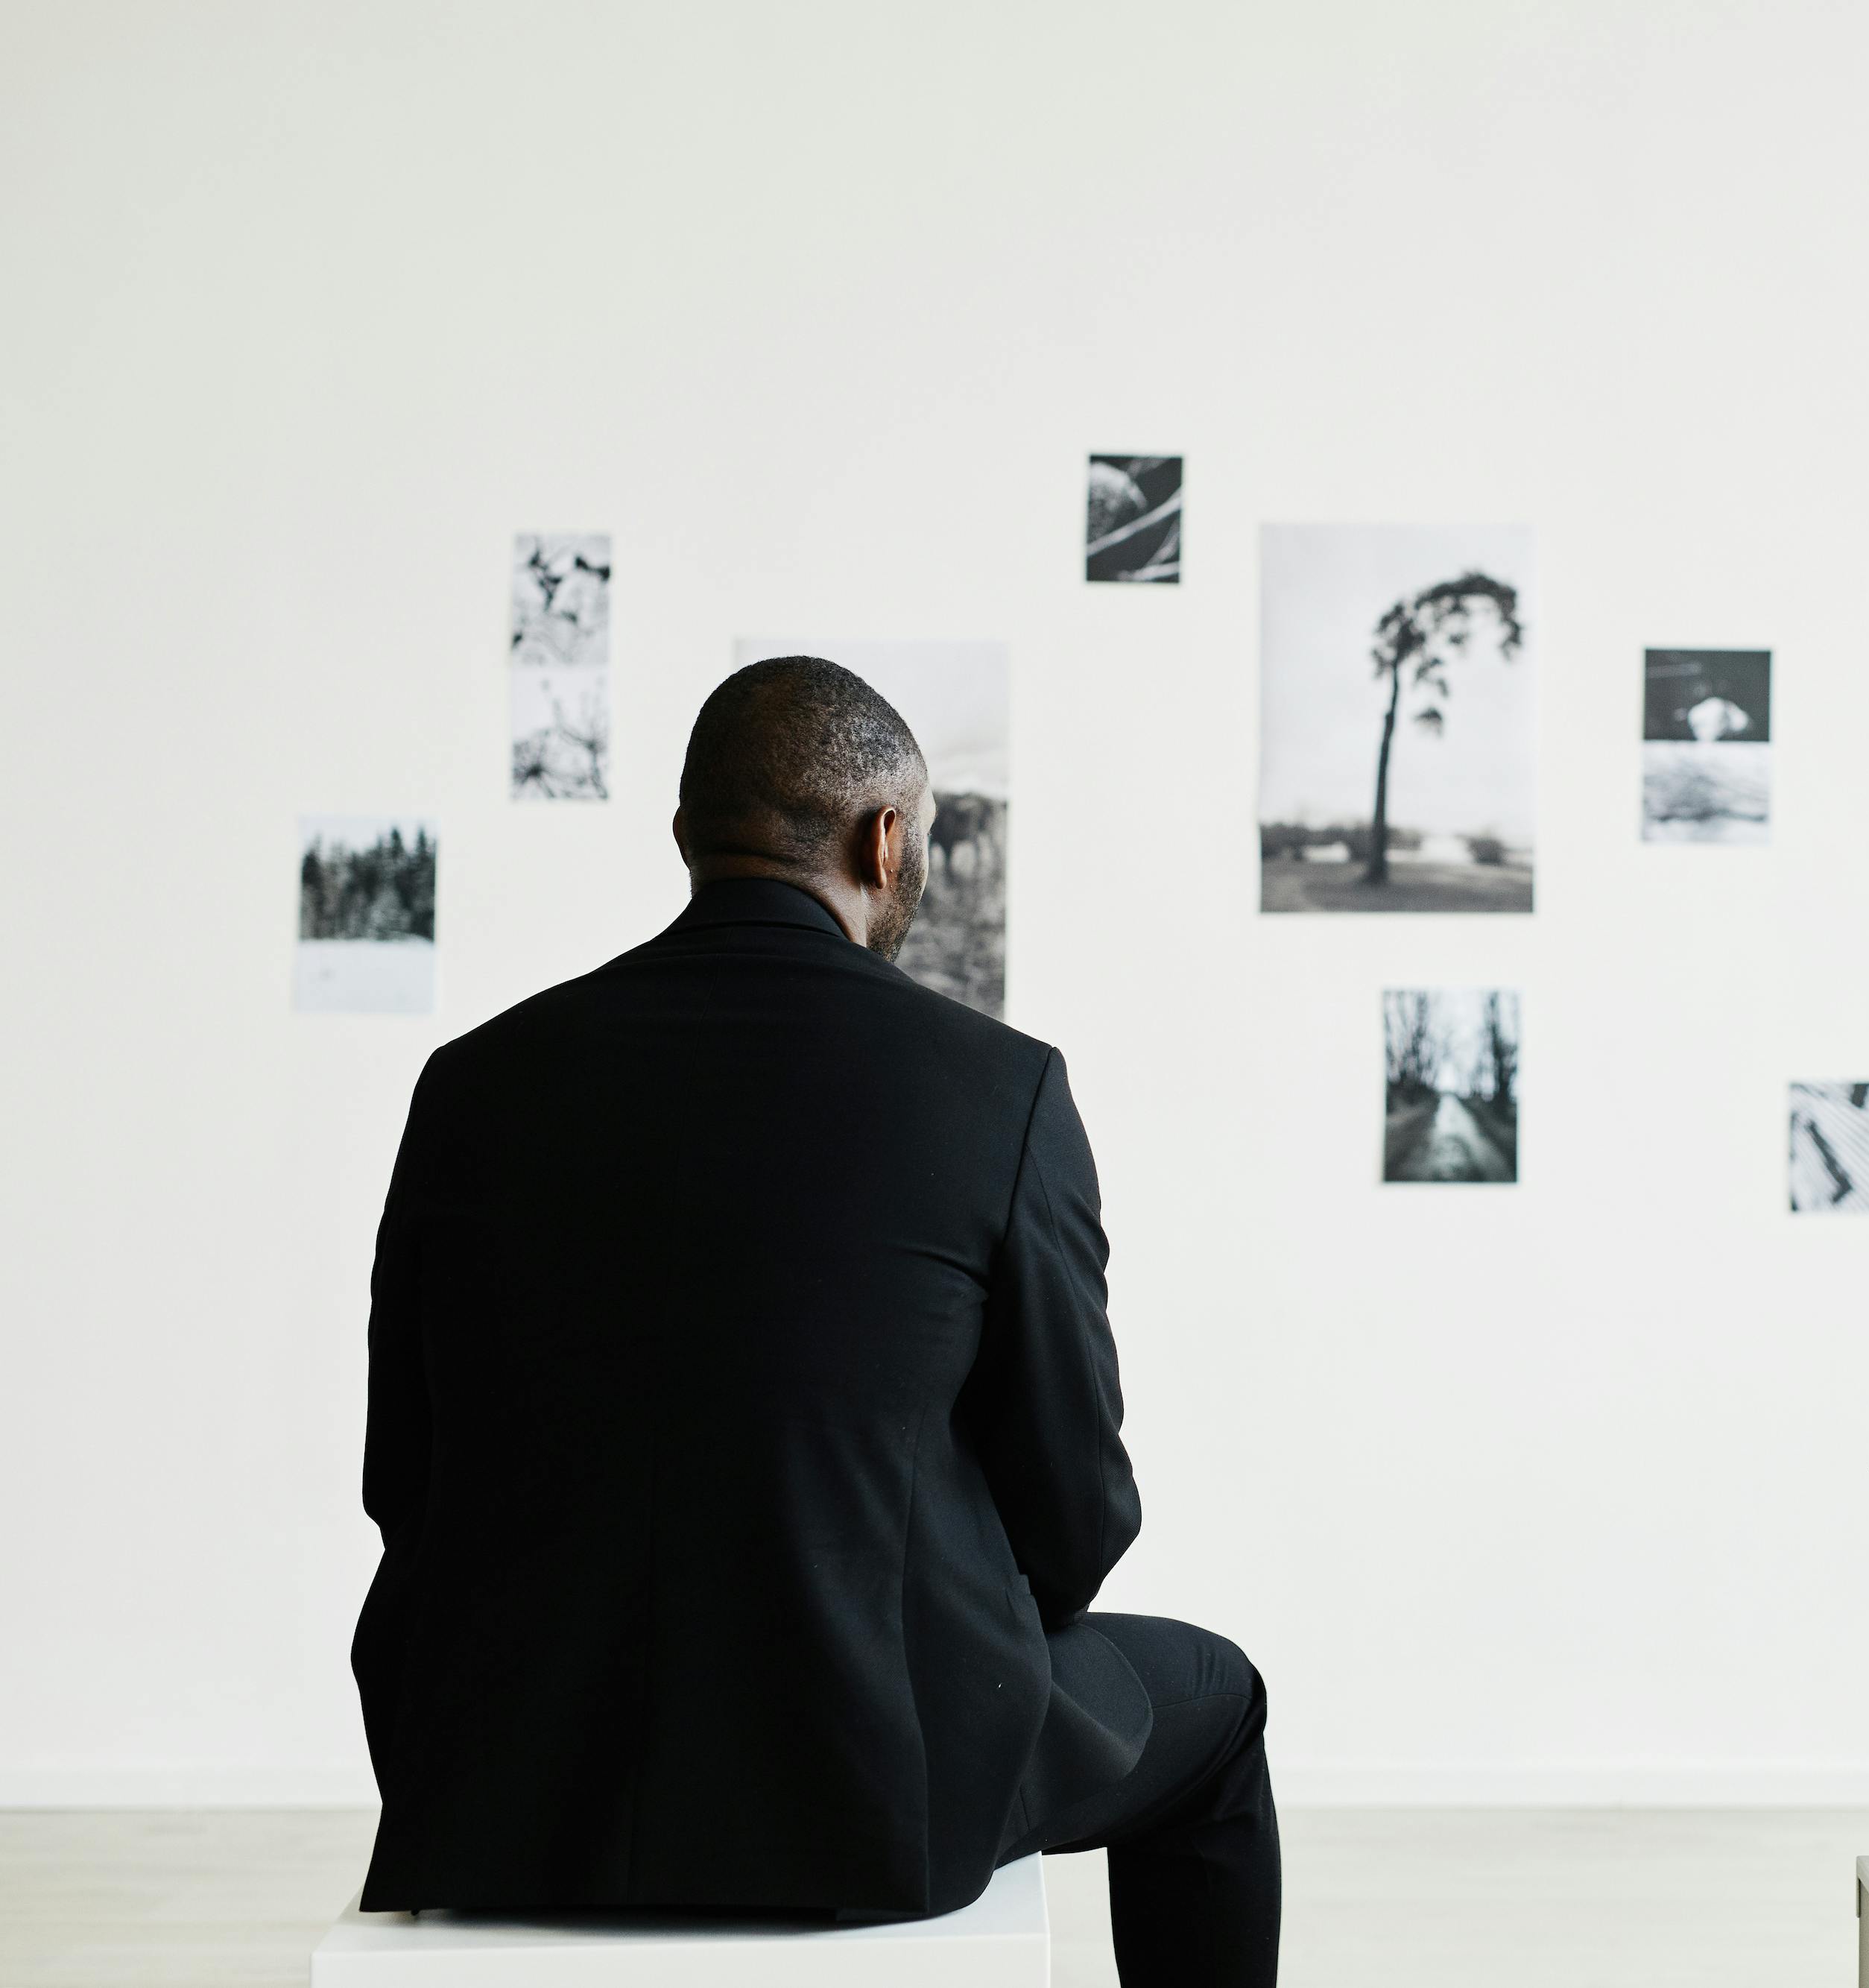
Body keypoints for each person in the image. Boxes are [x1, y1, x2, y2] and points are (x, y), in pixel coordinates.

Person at [350, 657, 1280, 1985]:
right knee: (1220, 1708)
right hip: (860, 1802)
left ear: (687, 832)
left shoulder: (472, 1083)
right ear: (884, 836)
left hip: (503, 1791)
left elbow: (408, 1483)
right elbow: (1080, 1514)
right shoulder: (996, 1090)